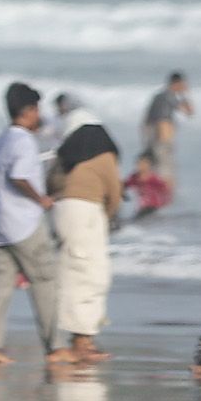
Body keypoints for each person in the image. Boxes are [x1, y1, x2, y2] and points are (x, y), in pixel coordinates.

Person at [0, 83, 62, 365]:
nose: (40, 115)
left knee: (0, 284)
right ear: (28, 111)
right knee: (45, 279)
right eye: (37, 109)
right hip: (24, 223)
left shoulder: (4, 138)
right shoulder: (24, 140)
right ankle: (56, 347)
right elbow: (18, 175)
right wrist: (40, 199)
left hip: (0, 224)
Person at [46, 114, 123, 364]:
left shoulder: (65, 155)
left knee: (72, 271)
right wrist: (108, 217)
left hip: (63, 212)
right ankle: (82, 341)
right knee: (92, 275)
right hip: (88, 212)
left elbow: (50, 184)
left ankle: (80, 337)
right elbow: (115, 192)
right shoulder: (104, 155)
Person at [141, 71, 191, 196]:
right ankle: (166, 196)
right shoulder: (167, 97)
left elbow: (189, 112)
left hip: (154, 137)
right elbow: (162, 120)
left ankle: (158, 195)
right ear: (177, 83)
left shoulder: (164, 96)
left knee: (159, 166)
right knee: (165, 168)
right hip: (161, 137)